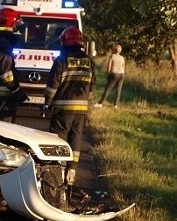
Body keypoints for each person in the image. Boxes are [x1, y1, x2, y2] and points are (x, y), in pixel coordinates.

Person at [43, 26, 95, 190]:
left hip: (62, 109)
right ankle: (72, 169)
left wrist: (47, 102)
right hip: (81, 109)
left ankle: (57, 169)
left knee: (58, 137)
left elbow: (53, 86)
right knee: (76, 137)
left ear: (64, 42)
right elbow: (91, 86)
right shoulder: (89, 62)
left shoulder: (62, 60)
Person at [0, 8, 28, 122]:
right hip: (3, 100)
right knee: (4, 134)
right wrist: (16, 90)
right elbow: (5, 72)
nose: (15, 29)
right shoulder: (3, 44)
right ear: (10, 24)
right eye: (15, 25)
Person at [94, 43, 125, 108]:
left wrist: (108, 74)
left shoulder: (112, 56)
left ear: (114, 49)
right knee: (118, 90)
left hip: (114, 74)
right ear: (120, 51)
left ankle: (100, 103)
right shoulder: (122, 58)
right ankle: (115, 105)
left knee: (108, 89)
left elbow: (109, 67)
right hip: (122, 74)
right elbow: (123, 67)